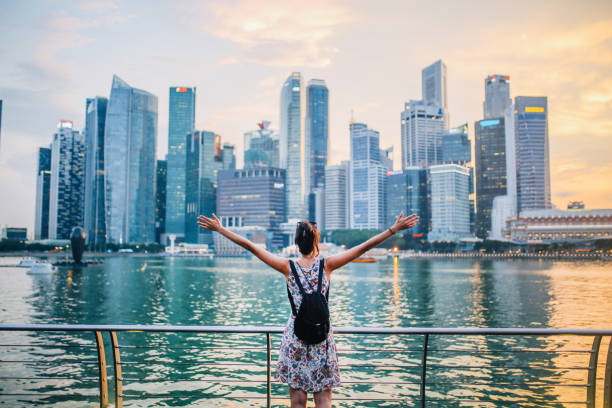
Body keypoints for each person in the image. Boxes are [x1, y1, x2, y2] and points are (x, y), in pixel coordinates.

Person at [197, 212, 419, 408]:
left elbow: (251, 247)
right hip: (322, 340)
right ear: (317, 242)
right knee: (324, 399)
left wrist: (220, 229)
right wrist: (394, 229)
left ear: (296, 243)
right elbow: (363, 248)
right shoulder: (327, 265)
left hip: (296, 339)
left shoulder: (287, 266)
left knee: (297, 401)